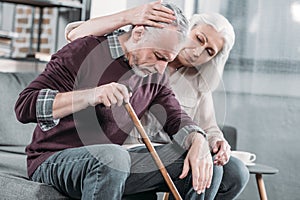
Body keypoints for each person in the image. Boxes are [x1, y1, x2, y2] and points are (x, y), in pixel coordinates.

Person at [15, 3, 215, 200]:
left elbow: (176, 117)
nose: (162, 69)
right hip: (52, 160)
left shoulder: (155, 76)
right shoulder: (85, 50)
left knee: (215, 167)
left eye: (168, 61)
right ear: (138, 34)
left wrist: (198, 139)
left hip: (112, 165)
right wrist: (91, 95)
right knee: (114, 157)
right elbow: (25, 106)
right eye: (158, 56)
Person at [65, 1, 249, 200]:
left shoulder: (198, 83)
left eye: (209, 51)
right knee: (205, 166)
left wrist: (215, 141)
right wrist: (129, 17)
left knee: (235, 172)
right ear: (188, 29)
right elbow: (76, 36)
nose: (197, 52)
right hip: (128, 148)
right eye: (198, 39)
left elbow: (208, 126)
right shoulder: (141, 53)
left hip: (173, 150)